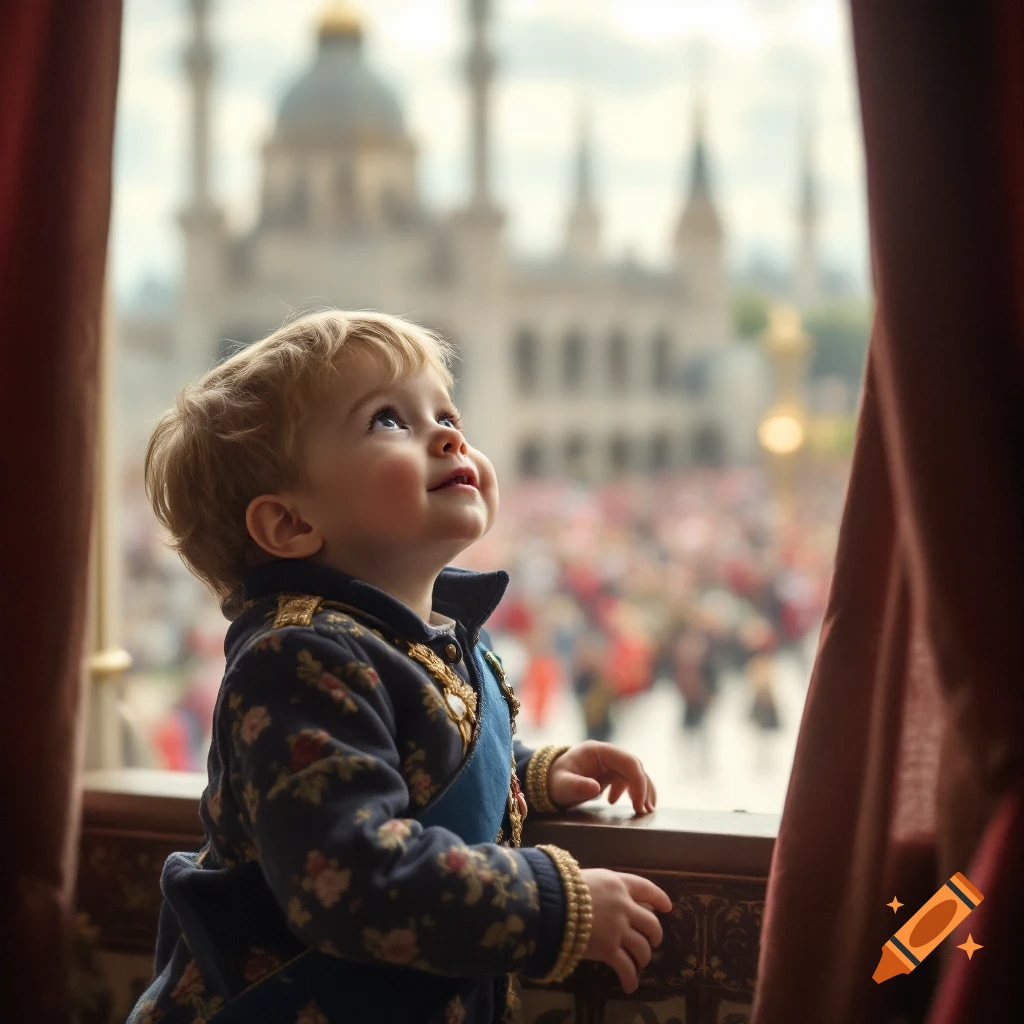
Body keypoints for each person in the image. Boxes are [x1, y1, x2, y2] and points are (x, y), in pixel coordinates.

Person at [128, 311, 671, 1024]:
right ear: (289, 524)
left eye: (446, 412)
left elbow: (410, 762)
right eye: (388, 421)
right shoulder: (295, 657)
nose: (449, 434)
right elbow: (350, 875)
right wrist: (548, 902)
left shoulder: (406, 637)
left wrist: (529, 775)